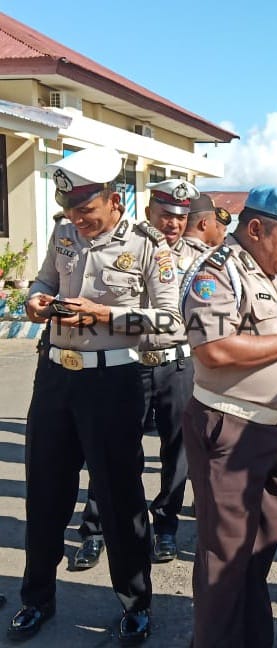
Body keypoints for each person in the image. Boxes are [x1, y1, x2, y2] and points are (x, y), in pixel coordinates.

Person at [10, 146, 183, 644]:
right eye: (70, 211)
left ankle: (135, 604)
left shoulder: (150, 245)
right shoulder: (64, 232)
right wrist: (36, 299)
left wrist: (105, 315)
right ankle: (35, 599)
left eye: (86, 211)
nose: (77, 220)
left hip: (113, 384)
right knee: (44, 494)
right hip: (56, 379)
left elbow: (171, 323)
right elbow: (44, 277)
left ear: (115, 201)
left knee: (117, 496)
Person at [180, 186, 277, 647]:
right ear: (255, 229)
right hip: (232, 430)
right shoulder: (219, 271)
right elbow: (214, 349)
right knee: (225, 557)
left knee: (257, 553)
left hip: (270, 434)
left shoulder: (266, 276)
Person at [73, 179, 204, 566]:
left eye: (181, 217)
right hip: (127, 361)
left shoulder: (199, 256)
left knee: (176, 451)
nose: (174, 224)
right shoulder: (128, 244)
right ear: (149, 212)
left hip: (176, 362)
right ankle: (95, 530)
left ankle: (165, 526)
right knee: (112, 450)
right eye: (166, 215)